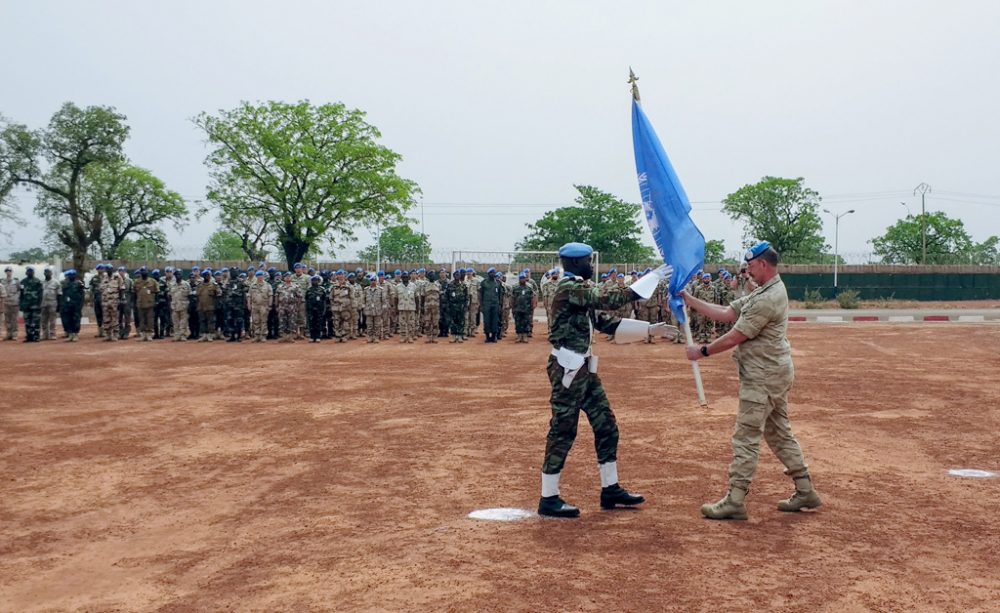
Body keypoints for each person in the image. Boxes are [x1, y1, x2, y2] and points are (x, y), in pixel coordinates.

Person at [682, 241, 822, 520]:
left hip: (763, 377)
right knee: (779, 432)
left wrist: (703, 351)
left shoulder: (767, 298)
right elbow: (726, 313)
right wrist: (689, 299)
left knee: (746, 436)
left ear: (763, 265)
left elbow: (736, 335)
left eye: (750, 266)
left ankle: (735, 499)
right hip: (772, 373)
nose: (746, 270)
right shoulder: (765, 292)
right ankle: (805, 489)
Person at [538, 242, 677, 518]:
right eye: (589, 261)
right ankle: (548, 498)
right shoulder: (570, 288)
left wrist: (649, 329)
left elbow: (604, 323)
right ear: (576, 264)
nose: (592, 265)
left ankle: (610, 489)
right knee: (563, 431)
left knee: (606, 426)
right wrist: (653, 278)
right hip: (568, 369)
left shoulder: (577, 289)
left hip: (583, 370)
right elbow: (611, 299)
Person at [60, 269, 86, 342]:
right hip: (67, 305)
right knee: (68, 320)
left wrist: (80, 305)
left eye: (72, 275)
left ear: (75, 275)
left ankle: (75, 334)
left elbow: (82, 295)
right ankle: (70, 334)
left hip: (76, 305)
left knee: (76, 320)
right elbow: (63, 295)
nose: (71, 276)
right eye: (69, 275)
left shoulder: (79, 283)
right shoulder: (65, 284)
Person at [100, 266, 125, 341]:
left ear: (112, 269)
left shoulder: (117, 277)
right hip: (105, 302)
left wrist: (121, 300)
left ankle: (115, 335)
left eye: (110, 269)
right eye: (107, 269)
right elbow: (101, 289)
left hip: (115, 301)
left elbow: (121, 289)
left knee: (115, 318)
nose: (108, 270)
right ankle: (108, 335)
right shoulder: (104, 277)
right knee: (106, 318)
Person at [19, 267, 44, 342]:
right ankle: (29, 336)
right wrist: (21, 304)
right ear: (26, 273)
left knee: (36, 321)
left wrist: (40, 304)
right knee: (27, 322)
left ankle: (36, 336)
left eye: (31, 271)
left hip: (35, 305)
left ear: (33, 272)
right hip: (26, 305)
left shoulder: (38, 282)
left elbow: (40, 294)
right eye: (28, 271)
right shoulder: (23, 282)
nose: (30, 273)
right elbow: (21, 294)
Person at [134, 267, 158, 341]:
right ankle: (143, 335)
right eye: (142, 271)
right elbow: (134, 293)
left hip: (150, 304)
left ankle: (149, 335)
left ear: (148, 272)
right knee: (142, 320)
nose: (144, 272)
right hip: (140, 304)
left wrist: (156, 302)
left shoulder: (153, 281)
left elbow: (157, 292)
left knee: (150, 320)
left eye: (145, 271)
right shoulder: (136, 282)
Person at [444, 269, 468, 343]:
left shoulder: (463, 285)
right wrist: (448, 306)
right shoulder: (450, 285)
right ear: (454, 276)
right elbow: (446, 296)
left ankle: (460, 336)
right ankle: (454, 336)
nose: (457, 276)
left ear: (460, 276)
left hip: (461, 306)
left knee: (461, 321)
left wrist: (465, 305)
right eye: (455, 275)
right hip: (452, 306)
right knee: (453, 322)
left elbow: (466, 296)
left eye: (458, 275)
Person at [479, 267, 503, 342]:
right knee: (487, 321)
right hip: (486, 304)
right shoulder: (484, 283)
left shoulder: (498, 283)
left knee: (495, 320)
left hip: (495, 304)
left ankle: (494, 336)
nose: (493, 274)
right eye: (491, 273)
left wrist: (500, 305)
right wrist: (481, 305)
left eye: (494, 273)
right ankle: (487, 336)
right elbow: (480, 295)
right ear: (488, 274)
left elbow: (500, 295)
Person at [511, 272, 536, 343]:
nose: (522, 280)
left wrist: (532, 306)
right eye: (521, 278)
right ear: (519, 279)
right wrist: (512, 307)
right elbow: (512, 298)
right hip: (517, 308)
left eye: (523, 278)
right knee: (518, 322)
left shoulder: (529, 288)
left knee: (526, 322)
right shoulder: (515, 288)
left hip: (526, 308)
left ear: (525, 279)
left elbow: (532, 298)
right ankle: (519, 336)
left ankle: (525, 336)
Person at [168, 268, 192, 342]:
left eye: (179, 274)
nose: (178, 276)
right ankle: (177, 335)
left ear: (182, 275)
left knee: (183, 322)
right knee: (175, 322)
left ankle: (183, 335)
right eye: (176, 274)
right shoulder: (171, 285)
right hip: (174, 306)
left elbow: (190, 295)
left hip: (184, 306)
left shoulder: (186, 284)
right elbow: (169, 295)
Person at [196, 271, 221, 342]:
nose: (208, 277)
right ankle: (204, 335)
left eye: (209, 275)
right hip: (201, 306)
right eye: (206, 275)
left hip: (210, 306)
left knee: (211, 321)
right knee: (202, 321)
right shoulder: (200, 285)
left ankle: (210, 334)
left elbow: (219, 293)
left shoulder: (214, 285)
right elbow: (197, 296)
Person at [395, 271, 418, 343]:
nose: (405, 278)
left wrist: (417, 308)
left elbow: (416, 298)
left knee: (411, 323)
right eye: (404, 277)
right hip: (401, 308)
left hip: (411, 307)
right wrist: (396, 308)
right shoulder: (398, 286)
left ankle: (410, 337)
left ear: (409, 277)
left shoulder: (413, 286)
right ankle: (403, 337)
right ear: (401, 278)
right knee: (402, 323)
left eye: (406, 277)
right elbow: (395, 298)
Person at [40, 268, 62, 340]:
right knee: (43, 320)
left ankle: (52, 334)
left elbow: (59, 294)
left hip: (52, 303)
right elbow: (39, 293)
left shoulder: (56, 282)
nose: (47, 274)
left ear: (51, 273)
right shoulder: (41, 282)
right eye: (46, 272)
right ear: (44, 274)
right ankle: (44, 334)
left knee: (52, 320)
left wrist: (59, 305)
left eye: (48, 272)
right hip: (43, 303)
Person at [420, 270, 442, 343]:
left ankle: (435, 337)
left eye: (433, 275)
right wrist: (422, 307)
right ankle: (429, 337)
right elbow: (422, 296)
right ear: (428, 276)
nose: (432, 276)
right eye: (430, 275)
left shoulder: (438, 285)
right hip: (427, 307)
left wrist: (440, 306)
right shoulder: (425, 285)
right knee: (427, 323)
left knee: (436, 322)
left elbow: (441, 296)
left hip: (436, 307)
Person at [2, 266, 20, 341]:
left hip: (14, 303)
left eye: (9, 271)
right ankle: (8, 334)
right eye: (7, 271)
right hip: (6, 303)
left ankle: (14, 334)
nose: (8, 272)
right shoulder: (2, 281)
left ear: (12, 272)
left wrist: (18, 299)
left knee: (14, 319)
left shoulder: (16, 281)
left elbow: (19, 291)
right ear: (5, 272)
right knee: (7, 319)